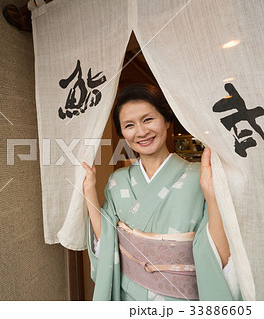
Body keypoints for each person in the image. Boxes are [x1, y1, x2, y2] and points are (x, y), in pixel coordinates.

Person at [82, 84, 241, 301]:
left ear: (166, 121)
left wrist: (212, 197)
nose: (141, 132)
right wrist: (89, 191)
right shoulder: (117, 181)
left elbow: (218, 255)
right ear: (122, 134)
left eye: (148, 119)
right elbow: (107, 241)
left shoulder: (200, 177)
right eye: (129, 125)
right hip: (130, 298)